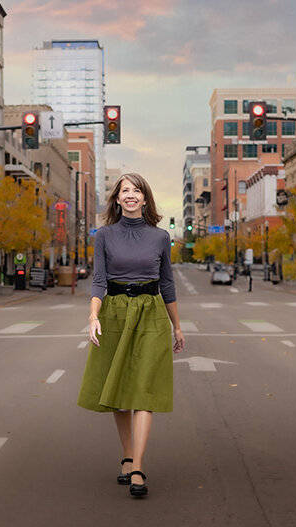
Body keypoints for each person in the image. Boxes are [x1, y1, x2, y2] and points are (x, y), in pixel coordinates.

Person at [77, 172, 185, 498]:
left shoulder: (160, 237)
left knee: (144, 391)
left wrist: (177, 326)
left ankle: (138, 465)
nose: (131, 195)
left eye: (136, 190)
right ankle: (126, 455)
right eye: (125, 190)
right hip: (115, 312)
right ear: (117, 198)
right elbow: (99, 281)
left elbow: (167, 284)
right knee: (121, 391)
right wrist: (93, 315)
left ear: (145, 198)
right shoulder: (104, 236)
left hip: (151, 312)